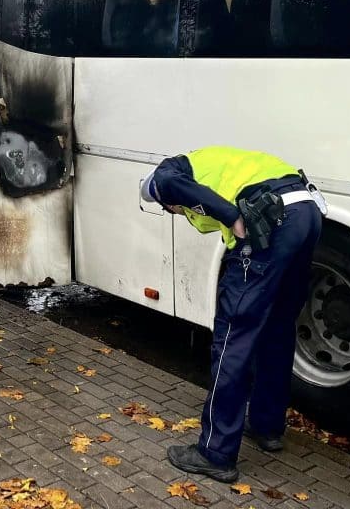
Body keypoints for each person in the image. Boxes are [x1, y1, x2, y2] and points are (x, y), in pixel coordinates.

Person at [139, 146, 324, 483]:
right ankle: (267, 427)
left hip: (270, 220)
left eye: (170, 209)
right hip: (307, 212)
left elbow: (169, 184)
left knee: (233, 337)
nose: (175, 211)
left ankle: (215, 452)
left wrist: (233, 217)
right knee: (277, 329)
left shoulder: (167, 176)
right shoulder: (216, 164)